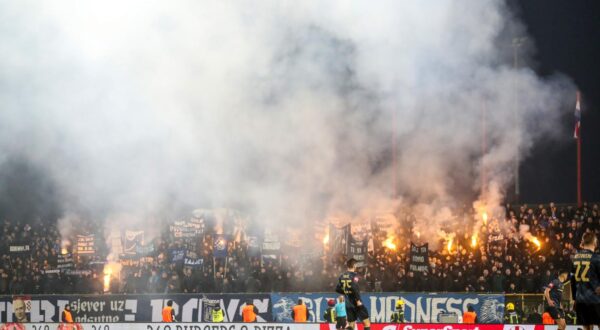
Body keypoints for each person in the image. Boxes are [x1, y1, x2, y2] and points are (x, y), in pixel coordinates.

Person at [571, 232, 600, 330]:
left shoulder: (575, 257)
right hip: (595, 300)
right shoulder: (596, 258)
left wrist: (574, 299)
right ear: (595, 242)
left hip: (580, 301)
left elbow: (572, 281)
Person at [335, 258, 370, 330]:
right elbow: (355, 288)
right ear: (354, 265)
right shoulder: (355, 276)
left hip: (348, 303)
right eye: (356, 265)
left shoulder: (342, 276)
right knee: (366, 322)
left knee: (351, 324)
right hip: (356, 302)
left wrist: (346, 291)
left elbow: (337, 289)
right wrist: (358, 300)